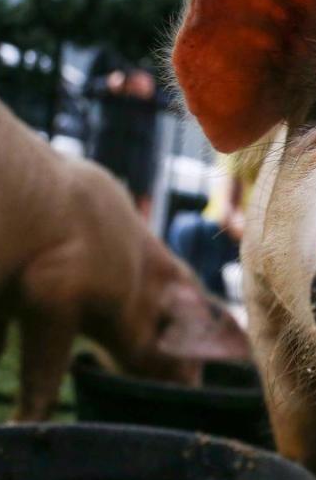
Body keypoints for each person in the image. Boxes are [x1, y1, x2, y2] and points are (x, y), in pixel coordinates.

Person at [166, 137, 265, 298]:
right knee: (187, 229)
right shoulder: (241, 140)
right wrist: (262, 240)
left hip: (255, 243)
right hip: (228, 235)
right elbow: (228, 213)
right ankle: (200, 295)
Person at [86, 49, 171, 219]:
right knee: (95, 195)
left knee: (140, 203)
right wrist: (108, 84)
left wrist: (150, 92)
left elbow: (174, 101)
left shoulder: (157, 51)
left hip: (142, 141)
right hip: (108, 137)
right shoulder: (109, 48)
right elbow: (87, 88)